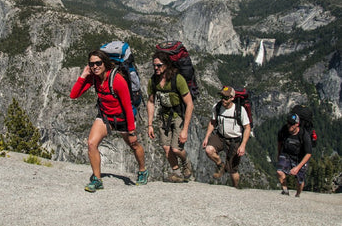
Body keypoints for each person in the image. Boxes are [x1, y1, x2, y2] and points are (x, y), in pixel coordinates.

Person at [70, 50, 148, 192]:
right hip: (106, 117)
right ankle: (97, 180)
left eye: (98, 63)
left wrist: (131, 129)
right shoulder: (93, 78)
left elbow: (127, 106)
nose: (95, 67)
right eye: (92, 64)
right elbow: (74, 95)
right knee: (91, 143)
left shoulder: (117, 80)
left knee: (134, 144)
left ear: (105, 63)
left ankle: (142, 170)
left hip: (122, 117)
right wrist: (83, 76)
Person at [147, 51, 194, 183]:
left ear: (167, 64)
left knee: (176, 149)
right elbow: (151, 101)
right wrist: (150, 124)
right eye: (154, 66)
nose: (156, 68)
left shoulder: (177, 79)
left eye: (159, 65)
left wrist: (185, 129)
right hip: (164, 116)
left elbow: (189, 104)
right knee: (166, 148)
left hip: (177, 116)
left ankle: (185, 161)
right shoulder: (153, 80)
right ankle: (177, 173)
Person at [202, 86, 251, 188]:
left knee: (233, 171)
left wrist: (243, 145)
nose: (223, 100)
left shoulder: (240, 110)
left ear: (232, 98)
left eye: (226, 98)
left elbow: (247, 128)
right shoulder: (217, 107)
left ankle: (235, 187)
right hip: (220, 137)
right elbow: (213, 122)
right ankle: (221, 165)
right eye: (222, 97)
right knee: (209, 150)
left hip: (235, 140)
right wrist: (207, 137)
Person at [276, 110, 312, 197]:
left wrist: (297, 167)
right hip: (287, 154)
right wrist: (278, 154)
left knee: (300, 180)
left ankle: (297, 194)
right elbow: (280, 143)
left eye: (291, 124)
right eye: (288, 123)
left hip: (300, 158)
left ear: (297, 124)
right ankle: (285, 190)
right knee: (279, 171)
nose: (289, 125)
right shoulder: (284, 131)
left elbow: (308, 153)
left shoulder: (304, 135)